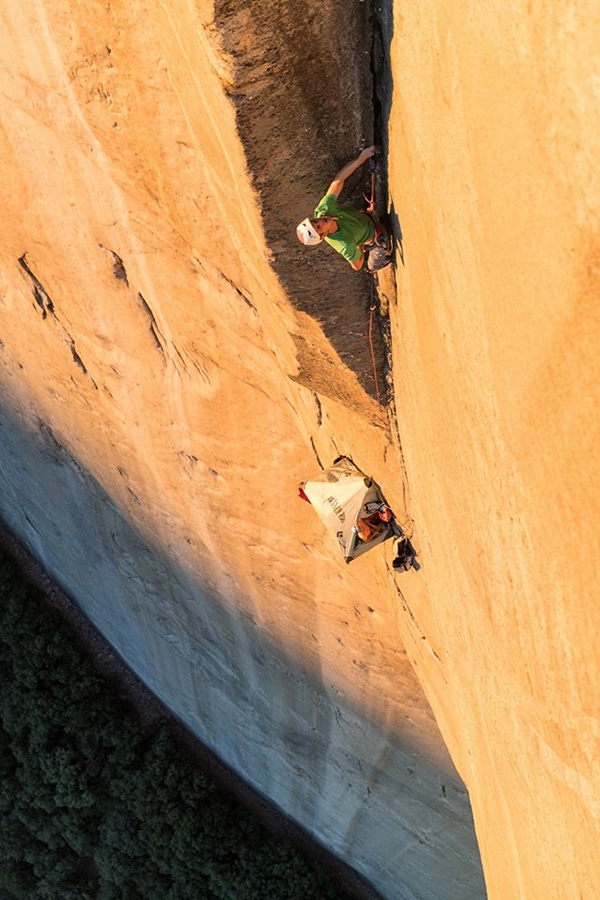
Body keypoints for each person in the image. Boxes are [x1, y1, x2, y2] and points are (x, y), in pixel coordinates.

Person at [296, 146, 390, 272]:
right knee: (383, 245)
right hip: (373, 236)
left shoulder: (323, 211)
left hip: (367, 217)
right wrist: (359, 245)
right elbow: (356, 265)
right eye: (318, 227)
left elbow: (337, 182)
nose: (320, 221)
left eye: (314, 221)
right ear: (323, 235)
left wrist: (360, 159)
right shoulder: (343, 244)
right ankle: (373, 265)